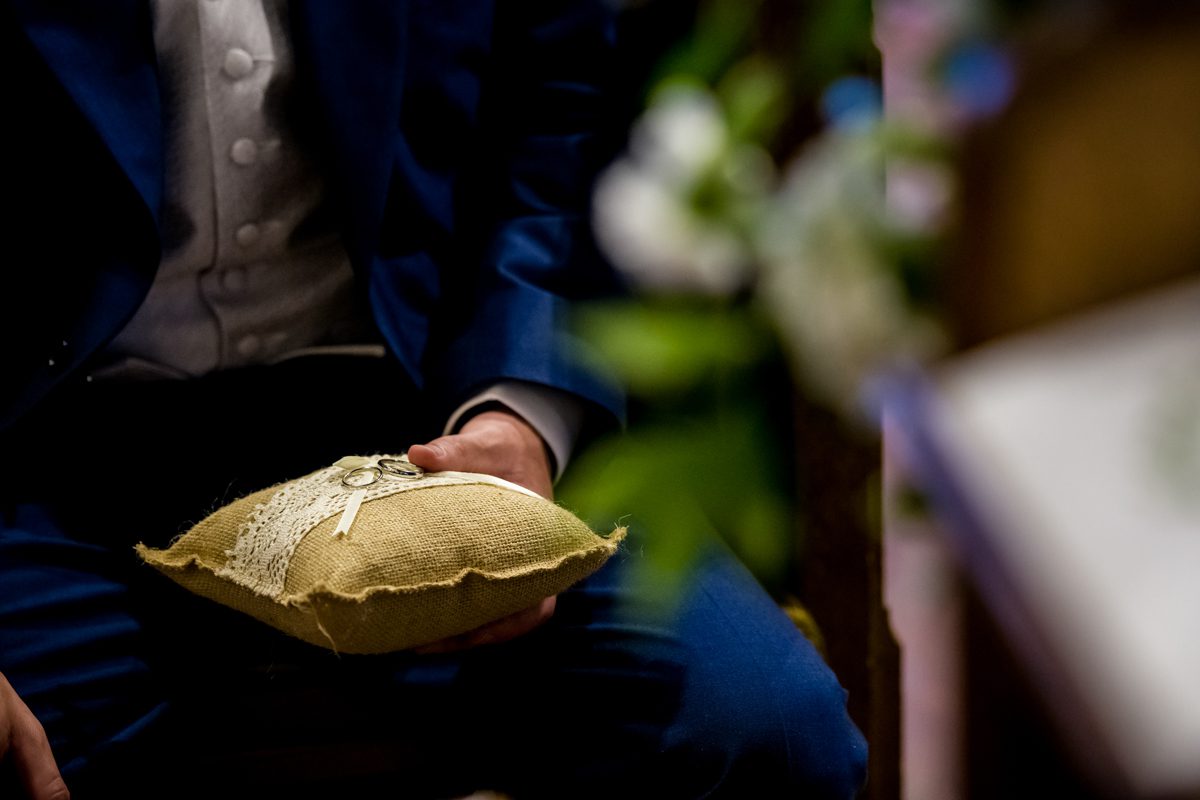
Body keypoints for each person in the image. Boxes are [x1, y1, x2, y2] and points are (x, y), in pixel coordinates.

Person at [0, 1, 867, 797]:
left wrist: (519, 416)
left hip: (416, 408)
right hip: (47, 449)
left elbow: (562, 107)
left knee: (766, 731)